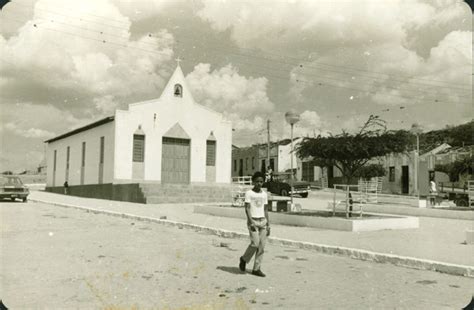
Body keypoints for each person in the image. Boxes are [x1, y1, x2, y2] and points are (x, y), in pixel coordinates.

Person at [239, 171, 270, 277]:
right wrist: (251, 222)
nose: (259, 184)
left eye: (261, 182)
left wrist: (268, 224)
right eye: (257, 181)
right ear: (253, 181)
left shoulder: (264, 194)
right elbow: (247, 208)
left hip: (263, 221)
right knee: (255, 244)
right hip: (253, 221)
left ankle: (256, 269)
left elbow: (266, 210)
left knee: (261, 246)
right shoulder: (249, 193)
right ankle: (244, 259)